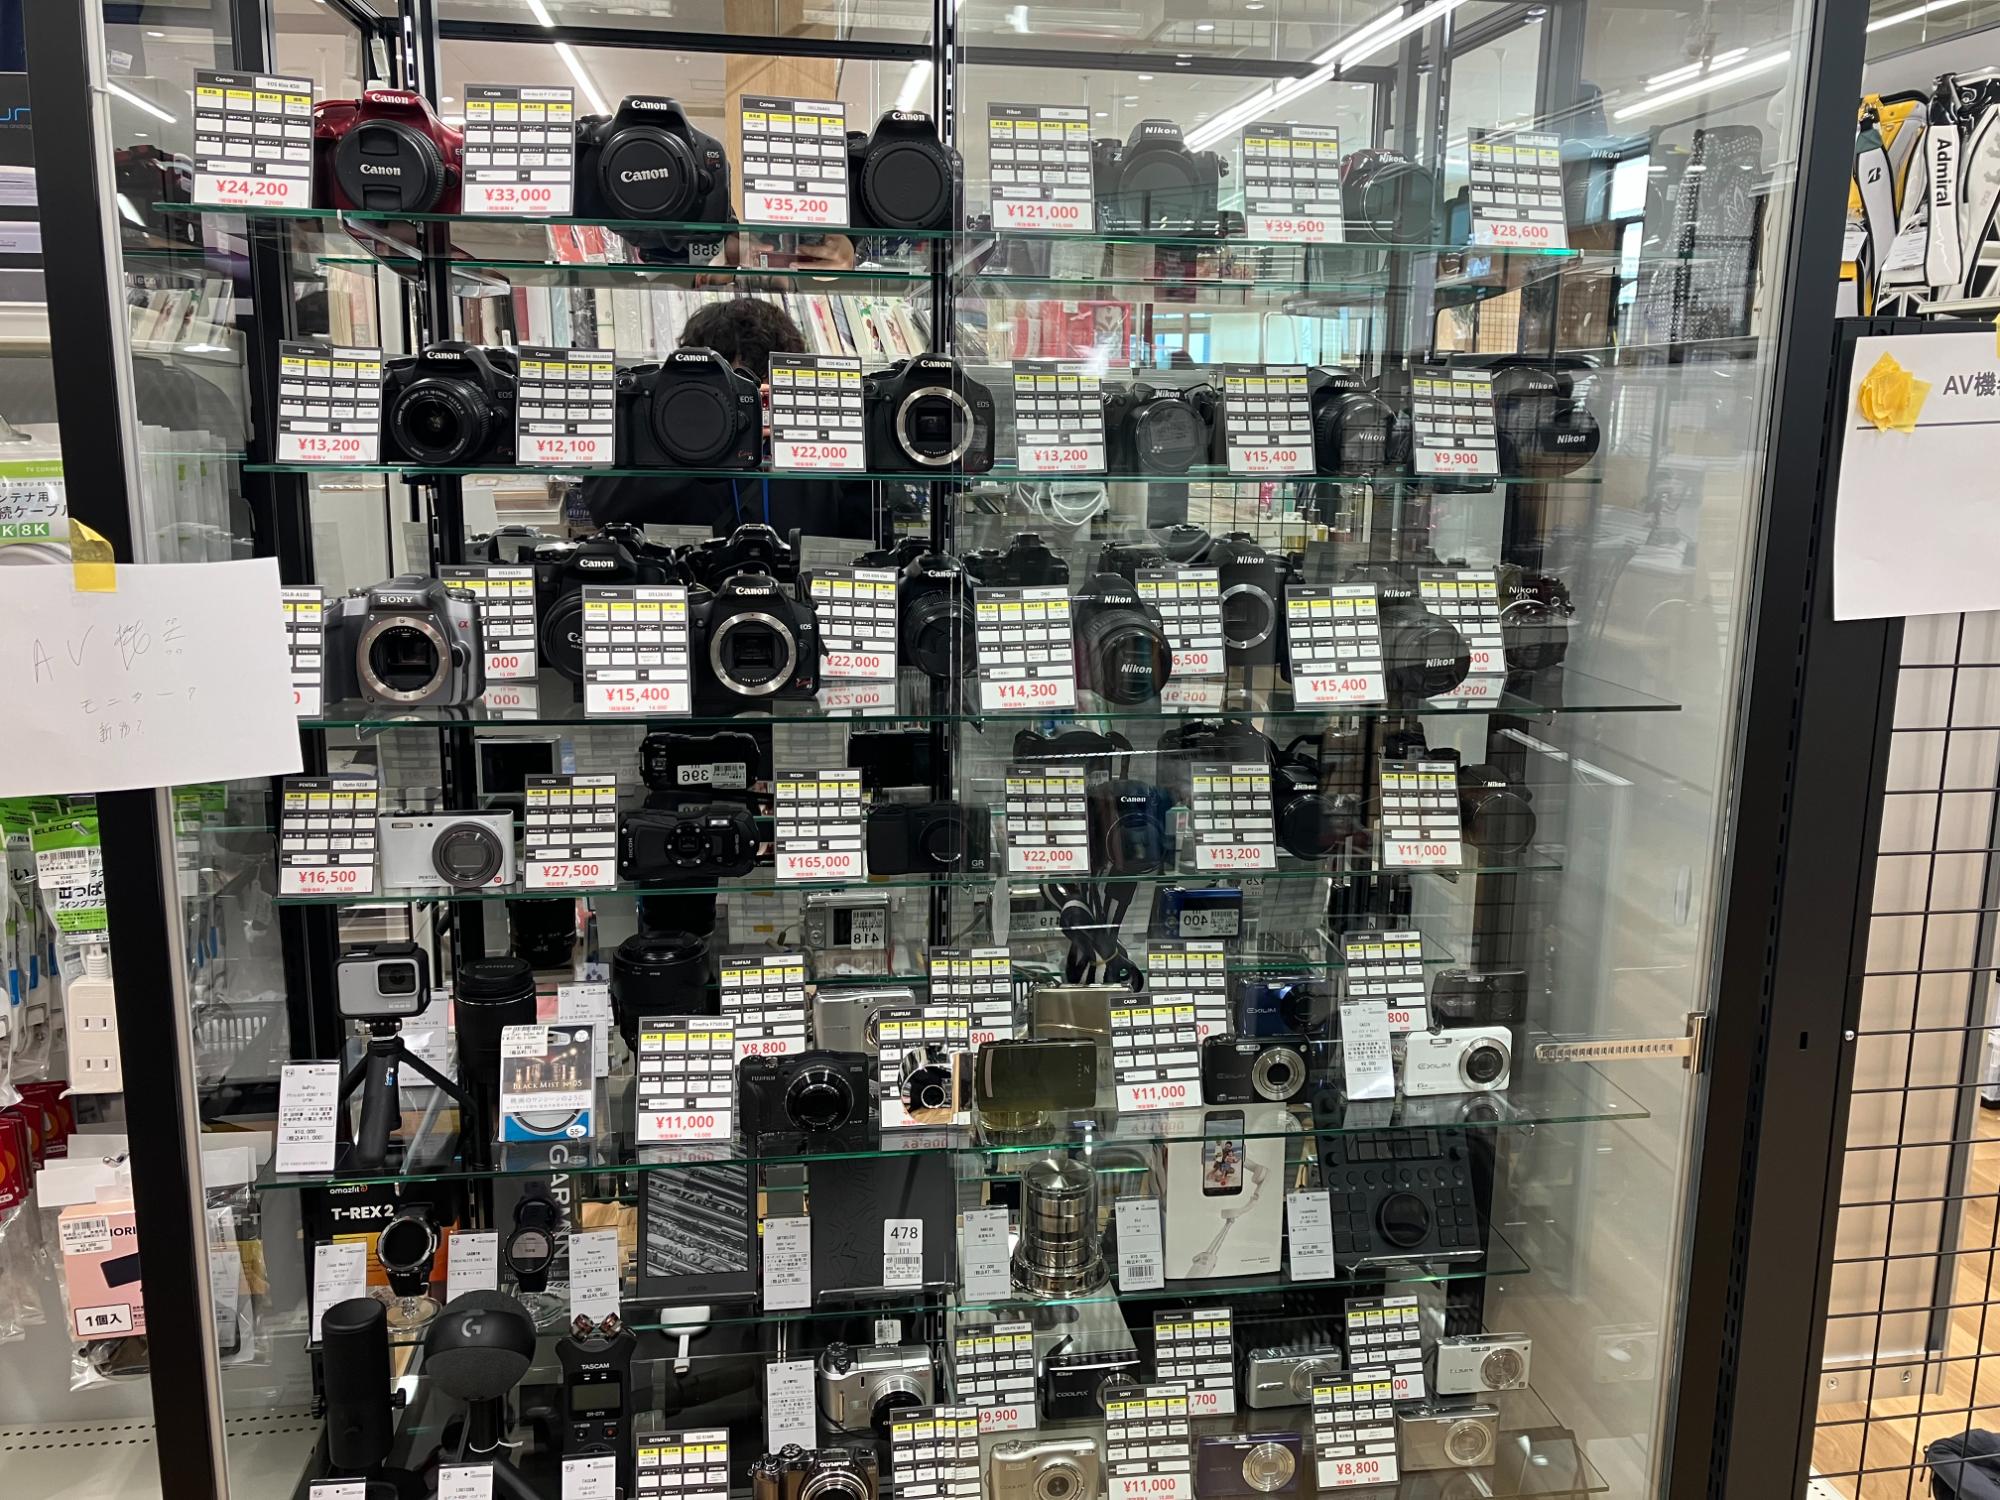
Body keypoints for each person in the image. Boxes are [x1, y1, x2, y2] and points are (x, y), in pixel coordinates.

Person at [582, 294, 874, 541]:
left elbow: (866, 533)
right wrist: (696, 447)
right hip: (685, 584)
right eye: (729, 388)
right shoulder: (660, 428)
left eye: (759, 392)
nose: (748, 405)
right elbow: (607, 510)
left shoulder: (818, 447)